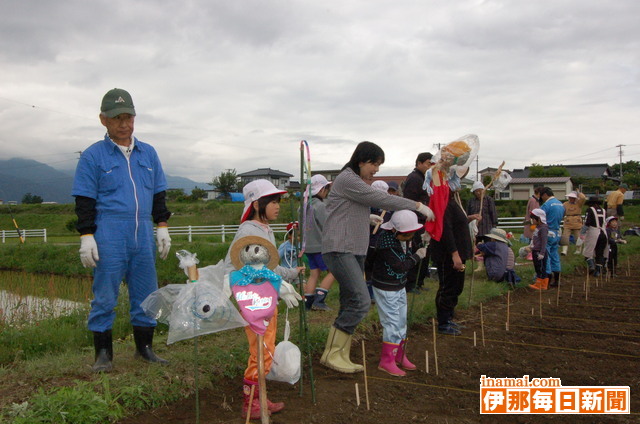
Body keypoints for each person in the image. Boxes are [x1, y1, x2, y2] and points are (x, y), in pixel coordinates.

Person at [72, 88, 172, 373]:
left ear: (134, 117)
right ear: (103, 120)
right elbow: (84, 200)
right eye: (117, 118)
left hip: (142, 237)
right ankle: (103, 353)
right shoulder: (93, 156)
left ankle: (145, 349)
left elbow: (158, 195)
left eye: (128, 117)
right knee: (105, 296)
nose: (124, 123)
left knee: (146, 294)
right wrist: (86, 234)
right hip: (109, 235)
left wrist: (162, 225)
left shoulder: (148, 153)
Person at [320, 141, 434, 374]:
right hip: (341, 249)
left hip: (353, 249)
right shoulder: (347, 178)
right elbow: (381, 199)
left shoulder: (353, 180)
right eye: (375, 164)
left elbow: (347, 211)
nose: (377, 170)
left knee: (349, 301)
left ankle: (339, 353)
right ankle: (332, 354)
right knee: (361, 301)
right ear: (361, 161)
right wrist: (417, 205)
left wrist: (366, 219)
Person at [223, 179, 304, 420]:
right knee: (261, 350)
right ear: (258, 204)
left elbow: (269, 264)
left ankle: (259, 397)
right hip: (255, 300)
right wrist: (288, 275)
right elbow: (246, 265)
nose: (278, 206)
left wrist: (289, 274)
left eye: (279, 201)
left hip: (266, 297)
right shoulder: (249, 231)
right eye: (273, 201)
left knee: (265, 348)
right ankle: (251, 403)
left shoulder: (263, 229)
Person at [424, 139, 479, 336]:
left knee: (456, 287)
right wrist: (455, 254)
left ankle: (449, 317)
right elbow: (445, 229)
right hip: (449, 253)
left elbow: (458, 225)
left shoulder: (453, 201)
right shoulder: (443, 202)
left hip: (459, 251)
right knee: (448, 287)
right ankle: (443, 321)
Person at [370, 210, 426, 377]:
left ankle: (400, 355)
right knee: (392, 323)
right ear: (395, 230)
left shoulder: (404, 238)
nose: (410, 237)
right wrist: (417, 257)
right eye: (407, 234)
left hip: (399, 285)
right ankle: (387, 361)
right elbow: (400, 266)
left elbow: (411, 246)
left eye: (412, 234)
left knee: (402, 321)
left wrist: (423, 241)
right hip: (386, 287)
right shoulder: (385, 243)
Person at [301, 174, 336, 311]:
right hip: (320, 246)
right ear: (321, 190)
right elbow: (327, 225)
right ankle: (319, 300)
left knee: (314, 273)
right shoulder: (320, 206)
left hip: (308, 246)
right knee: (333, 271)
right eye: (326, 189)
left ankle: (308, 302)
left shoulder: (303, 206)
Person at [402, 152, 434, 293]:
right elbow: (410, 202)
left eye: (432, 164)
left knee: (425, 251)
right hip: (416, 221)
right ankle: (411, 284)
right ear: (419, 163)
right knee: (416, 251)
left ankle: (419, 281)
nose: (430, 166)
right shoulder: (414, 178)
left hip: (424, 221)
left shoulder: (425, 178)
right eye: (428, 163)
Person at [539, 187, 564, 288]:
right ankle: (557, 279)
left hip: (547, 231)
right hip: (557, 231)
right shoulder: (561, 204)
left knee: (546, 256)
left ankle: (547, 279)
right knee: (555, 255)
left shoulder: (546, 205)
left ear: (545, 194)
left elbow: (539, 218)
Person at [581, 196, 608, 277]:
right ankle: (598, 271)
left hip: (593, 232)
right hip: (603, 232)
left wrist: (582, 233)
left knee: (588, 251)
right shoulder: (603, 210)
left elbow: (587, 222)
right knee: (600, 252)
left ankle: (592, 266)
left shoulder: (590, 210)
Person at [528, 209, 550, 290]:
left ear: (539, 219)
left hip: (539, 251)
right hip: (535, 250)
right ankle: (541, 284)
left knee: (541, 268)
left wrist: (542, 253)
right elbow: (534, 236)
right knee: (538, 268)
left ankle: (541, 285)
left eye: (533, 219)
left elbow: (544, 241)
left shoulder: (543, 228)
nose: (532, 220)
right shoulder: (537, 227)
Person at [561, 190, 586, 255]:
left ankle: (578, 250)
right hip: (568, 221)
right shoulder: (565, 204)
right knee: (565, 236)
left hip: (577, 221)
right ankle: (564, 250)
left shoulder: (579, 203)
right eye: (570, 197)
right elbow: (562, 213)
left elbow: (583, 198)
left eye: (573, 197)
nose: (571, 199)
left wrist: (578, 193)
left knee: (578, 237)